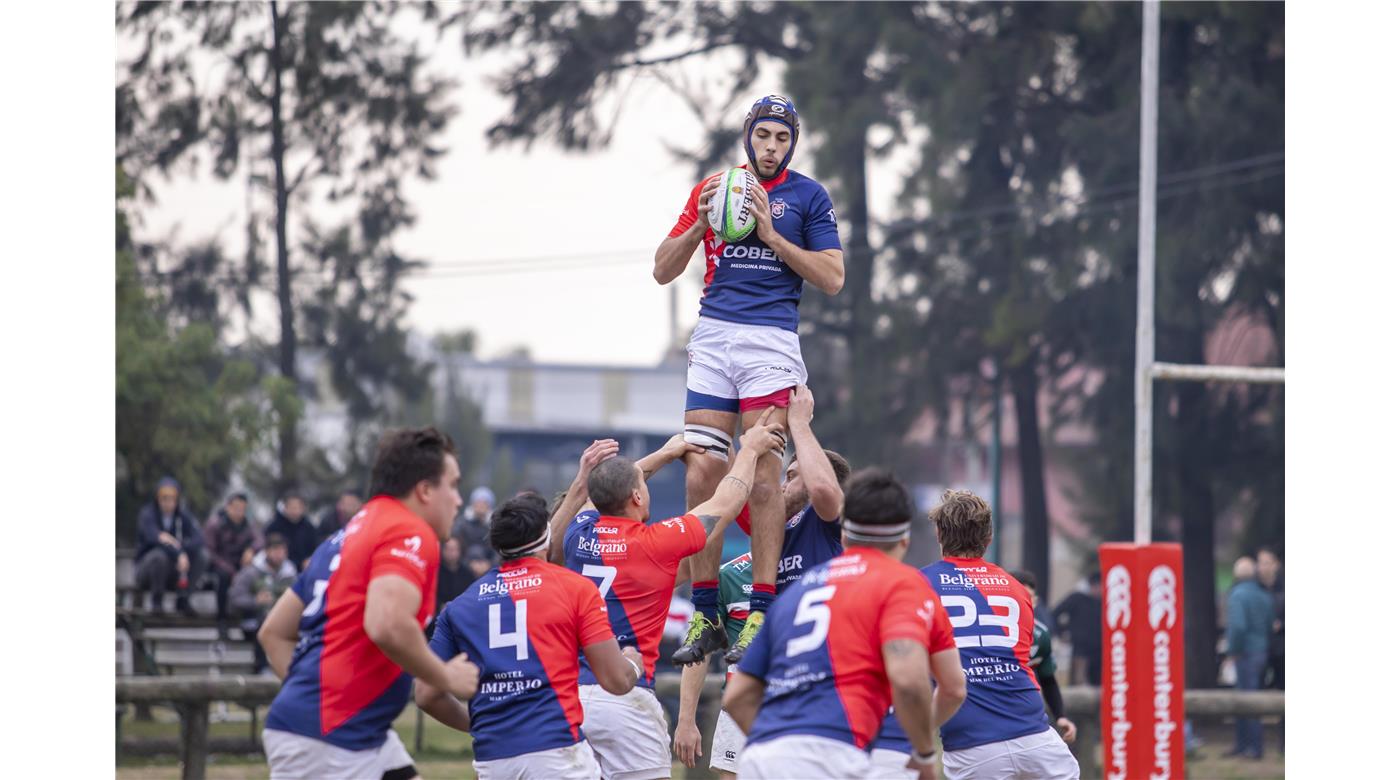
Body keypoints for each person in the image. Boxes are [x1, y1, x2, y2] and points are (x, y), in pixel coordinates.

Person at [654, 94, 845, 665]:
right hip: (713, 335)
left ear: (792, 144)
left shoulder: (808, 196)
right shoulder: (714, 187)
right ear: (748, 137)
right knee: (703, 473)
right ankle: (707, 612)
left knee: (763, 476)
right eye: (763, 136)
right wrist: (699, 227)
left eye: (781, 138)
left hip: (770, 340)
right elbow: (662, 270)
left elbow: (832, 278)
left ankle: (760, 611)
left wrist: (773, 236)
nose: (770, 147)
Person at [551, 415, 786, 780]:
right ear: (637, 496)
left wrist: (663, 454)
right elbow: (726, 502)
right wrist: (751, 449)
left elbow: (603, 493)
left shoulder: (578, 534)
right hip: (626, 694)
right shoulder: (655, 543)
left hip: (572, 697)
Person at [257, 427, 481, 780]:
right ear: (424, 490)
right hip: (331, 743)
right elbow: (387, 623)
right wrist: (445, 675)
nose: (458, 500)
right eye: (452, 485)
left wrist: (312, 704)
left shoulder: (346, 535)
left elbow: (273, 633)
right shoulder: (409, 530)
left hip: (351, 735)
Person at [722, 469, 964, 780]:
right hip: (834, 755)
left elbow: (737, 697)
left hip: (761, 758)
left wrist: (779, 747)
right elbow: (917, 682)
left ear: (845, 535)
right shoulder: (903, 583)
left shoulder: (797, 590)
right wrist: (924, 752)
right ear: (905, 539)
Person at [416, 496, 646, 779]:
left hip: (492, 760)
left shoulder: (460, 605)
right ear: (547, 536)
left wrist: (476, 725)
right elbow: (617, 680)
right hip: (556, 752)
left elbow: (426, 695)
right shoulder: (575, 589)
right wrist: (634, 662)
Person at [878, 489, 1079, 780]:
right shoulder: (1017, 588)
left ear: (938, 534)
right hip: (1038, 740)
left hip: (973, 745)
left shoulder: (918, 584)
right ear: (989, 538)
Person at [673, 385, 849, 665]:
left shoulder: (827, 523)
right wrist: (723, 427)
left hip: (830, 661)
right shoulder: (769, 527)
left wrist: (799, 424)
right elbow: (728, 484)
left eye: (791, 476)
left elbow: (824, 490)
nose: (782, 485)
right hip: (782, 667)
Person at [673, 551, 751, 779]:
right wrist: (686, 720)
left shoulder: (817, 566)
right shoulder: (728, 576)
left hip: (799, 705)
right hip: (740, 708)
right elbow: (700, 649)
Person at [1009, 569, 1077, 746]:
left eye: (1029, 598)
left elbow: (1048, 680)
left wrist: (1060, 716)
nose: (1024, 603)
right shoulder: (989, 632)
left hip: (1026, 715)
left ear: (1036, 601)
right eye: (1017, 597)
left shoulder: (1041, 635)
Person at [134, 476, 207, 616]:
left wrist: (181, 549)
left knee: (202, 556)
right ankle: (157, 603)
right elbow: (154, 539)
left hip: (174, 571)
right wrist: (178, 552)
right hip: (147, 572)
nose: (168, 502)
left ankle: (183, 598)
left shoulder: (182, 515)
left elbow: (199, 538)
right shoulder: (147, 515)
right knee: (159, 556)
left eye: (172, 498)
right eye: (164, 497)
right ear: (158, 498)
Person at [1225, 555, 1274, 760]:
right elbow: (1270, 622)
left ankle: (1249, 745)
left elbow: (1238, 627)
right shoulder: (1264, 595)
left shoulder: (1237, 595)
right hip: (1261, 650)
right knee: (1255, 697)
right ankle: (1251, 744)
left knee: (1245, 700)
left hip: (1245, 652)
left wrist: (1233, 650)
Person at [230, 533, 297, 673]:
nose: (279, 555)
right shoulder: (251, 572)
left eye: (282, 551)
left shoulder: (291, 575)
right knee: (265, 623)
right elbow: (235, 598)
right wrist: (255, 601)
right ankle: (262, 667)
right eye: (276, 550)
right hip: (252, 620)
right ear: (267, 551)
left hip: (283, 622)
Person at [204, 492, 262, 627]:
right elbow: (210, 552)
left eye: (242, 509)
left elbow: (260, 540)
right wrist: (231, 571)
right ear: (227, 507)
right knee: (223, 578)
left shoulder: (248, 525)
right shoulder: (215, 524)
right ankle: (222, 618)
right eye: (236, 508)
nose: (239, 512)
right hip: (219, 564)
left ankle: (250, 617)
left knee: (254, 575)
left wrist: (251, 550)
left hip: (240, 564)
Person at [1053, 571, 1103, 686]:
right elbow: (1055, 613)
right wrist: (1063, 632)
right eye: (1096, 586)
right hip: (1081, 650)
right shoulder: (1078, 599)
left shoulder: (1107, 602)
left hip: (1101, 650)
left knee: (1099, 684)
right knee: (1078, 682)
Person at [453, 486, 498, 581]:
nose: (481, 506)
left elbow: (499, 550)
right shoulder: (461, 525)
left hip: (489, 572)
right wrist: (468, 564)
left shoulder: (495, 526)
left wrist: (489, 564)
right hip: (463, 570)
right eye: (478, 502)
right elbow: (456, 546)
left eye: (484, 502)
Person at [264, 491, 318, 572]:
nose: (294, 511)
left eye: (297, 507)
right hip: (279, 568)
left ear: (303, 508)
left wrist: (310, 559)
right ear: (285, 508)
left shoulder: (309, 527)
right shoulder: (274, 526)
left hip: (303, 569)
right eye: (291, 507)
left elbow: (315, 548)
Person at [1256, 547, 1284, 690]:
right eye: (1260, 563)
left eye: (1266, 563)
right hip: (1261, 647)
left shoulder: (1283, 588)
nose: (1262, 567)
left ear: (1276, 565)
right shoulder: (1255, 588)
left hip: (1281, 648)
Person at [435, 537, 475, 614]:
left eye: (454, 549)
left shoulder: (467, 573)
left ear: (460, 551)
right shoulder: (436, 572)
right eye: (448, 549)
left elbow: (471, 596)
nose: (451, 553)